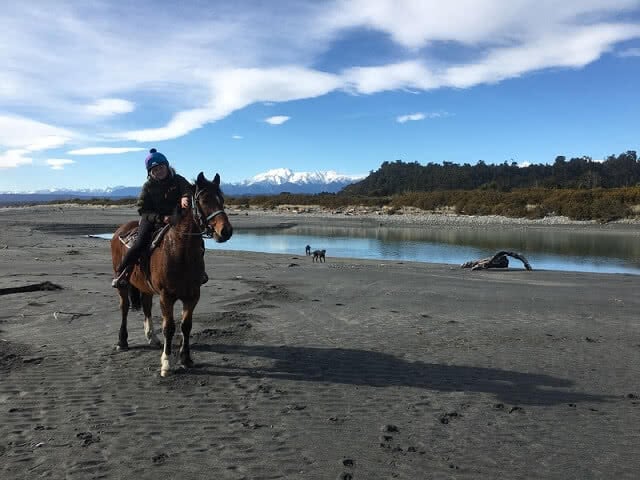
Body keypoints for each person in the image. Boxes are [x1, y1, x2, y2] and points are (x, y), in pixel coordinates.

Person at [112, 148, 207, 287]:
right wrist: (161, 218)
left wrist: (185, 197)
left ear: (167, 166)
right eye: (154, 170)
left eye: (161, 168)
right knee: (139, 244)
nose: (158, 171)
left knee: (197, 240)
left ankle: (198, 271)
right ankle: (123, 272)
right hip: (153, 219)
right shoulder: (148, 186)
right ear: (150, 172)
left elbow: (187, 188)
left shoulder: (178, 179)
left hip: (177, 217)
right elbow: (142, 209)